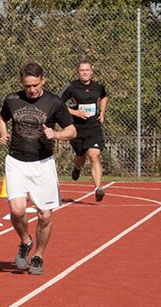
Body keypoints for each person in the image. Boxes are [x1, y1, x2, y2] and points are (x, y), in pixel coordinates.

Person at [0, 63, 76, 275]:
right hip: (16, 162)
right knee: (17, 210)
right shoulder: (12, 99)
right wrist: (3, 133)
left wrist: (57, 135)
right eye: (27, 85)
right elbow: (1, 118)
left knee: (45, 216)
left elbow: (72, 130)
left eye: (35, 85)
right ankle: (25, 240)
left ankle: (39, 255)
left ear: (43, 80)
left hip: (43, 164)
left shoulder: (54, 102)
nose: (31, 89)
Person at [60, 59, 109, 202]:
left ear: (91, 72)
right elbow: (58, 104)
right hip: (76, 128)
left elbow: (104, 97)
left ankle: (98, 188)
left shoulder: (98, 87)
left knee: (94, 156)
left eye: (87, 70)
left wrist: (102, 111)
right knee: (80, 157)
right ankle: (77, 168)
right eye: (82, 70)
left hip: (93, 128)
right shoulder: (71, 87)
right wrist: (75, 113)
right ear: (78, 72)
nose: (85, 72)